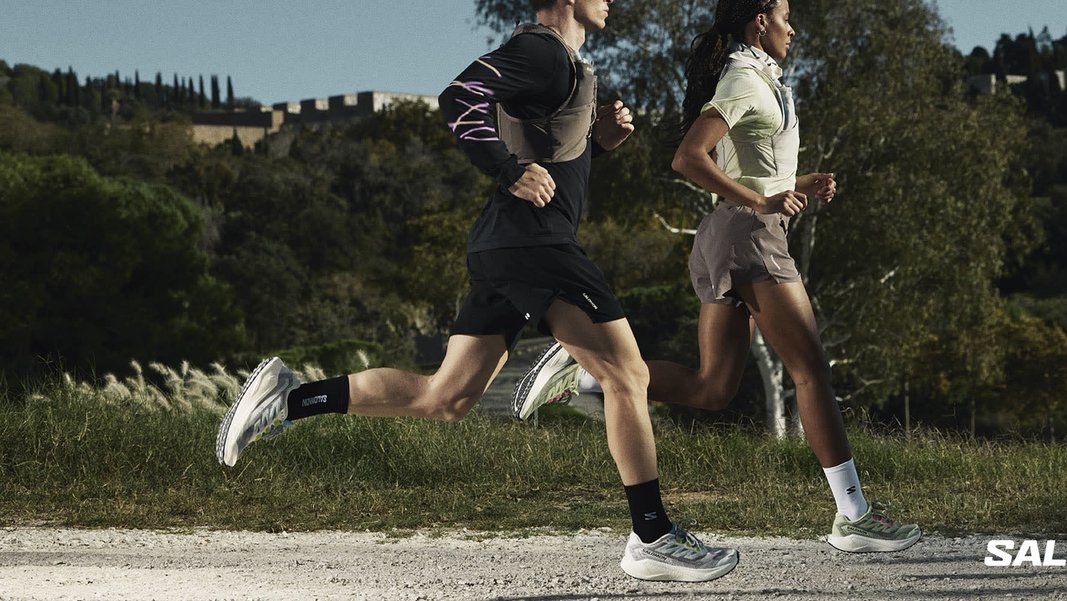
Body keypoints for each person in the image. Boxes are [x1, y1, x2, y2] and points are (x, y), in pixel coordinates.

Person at [215, 0, 738, 583]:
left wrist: (598, 140)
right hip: (535, 246)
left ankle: (289, 398)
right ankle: (651, 534)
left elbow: (546, 148)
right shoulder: (540, 49)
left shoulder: (559, 61)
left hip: (506, 247)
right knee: (629, 376)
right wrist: (504, 169)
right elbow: (458, 98)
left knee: (446, 397)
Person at [512, 0, 922, 553]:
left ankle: (589, 376)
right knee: (811, 371)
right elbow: (689, 157)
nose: (792, 27)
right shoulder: (745, 79)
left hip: (728, 235)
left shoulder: (761, 80)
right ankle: (854, 516)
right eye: (784, 16)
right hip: (748, 237)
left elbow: (748, 165)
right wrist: (762, 200)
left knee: (713, 389)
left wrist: (798, 181)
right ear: (759, 22)